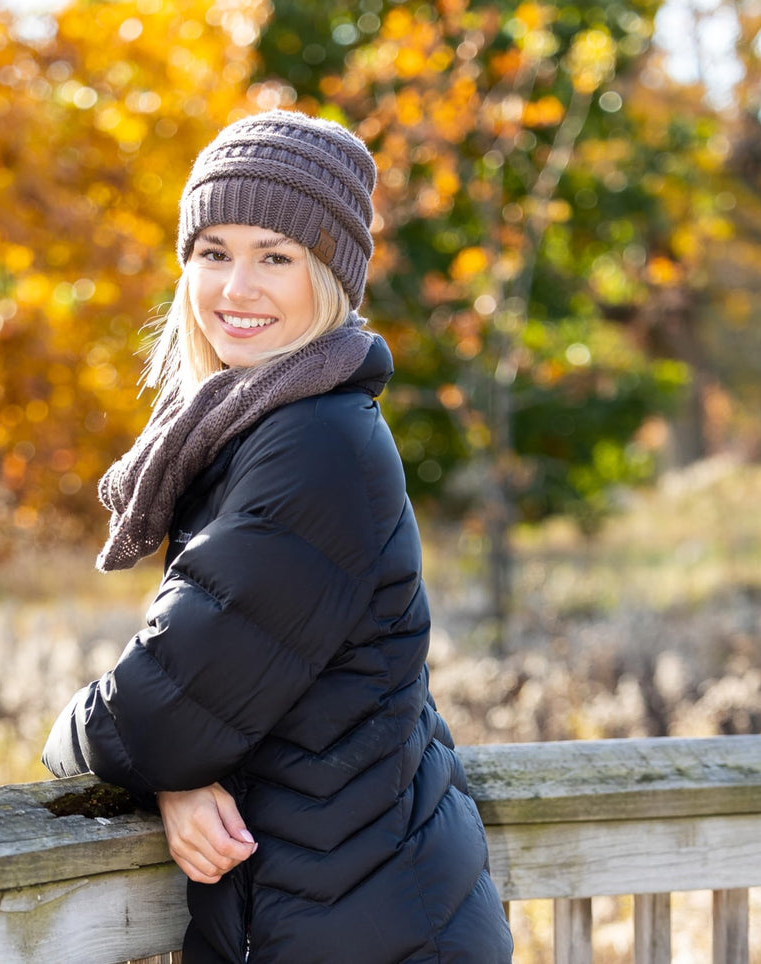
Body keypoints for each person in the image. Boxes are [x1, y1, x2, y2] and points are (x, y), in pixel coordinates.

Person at [43, 110, 512, 964]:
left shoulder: (313, 444)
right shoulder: (269, 428)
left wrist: (117, 749)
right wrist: (173, 774)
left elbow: (151, 721)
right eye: (213, 252)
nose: (236, 287)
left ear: (330, 275)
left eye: (275, 255)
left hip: (361, 930)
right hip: (341, 909)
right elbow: (211, 701)